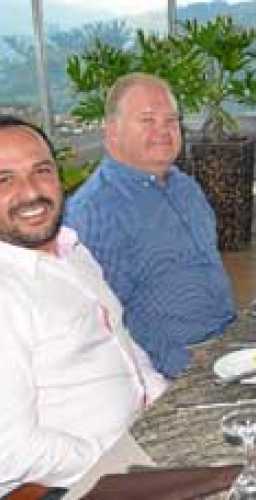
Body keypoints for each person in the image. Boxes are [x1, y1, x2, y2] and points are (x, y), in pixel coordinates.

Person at [0, 115, 166, 496]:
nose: (30, 192)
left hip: (143, 443)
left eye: (41, 170)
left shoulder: (71, 250)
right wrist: (115, 461)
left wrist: (168, 404)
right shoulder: (6, 293)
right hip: (81, 482)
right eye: (4, 180)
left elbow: (123, 347)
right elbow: (9, 451)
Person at [65, 73, 236, 378]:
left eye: (172, 120)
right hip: (176, 374)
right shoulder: (96, 211)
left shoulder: (185, 188)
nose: (164, 131)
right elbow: (100, 323)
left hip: (230, 347)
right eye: (147, 120)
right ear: (112, 131)